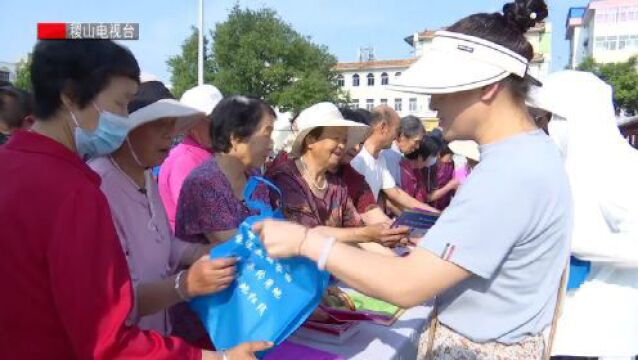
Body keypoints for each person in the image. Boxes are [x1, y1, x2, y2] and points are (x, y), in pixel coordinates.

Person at [255, 1, 573, 358]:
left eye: (443, 89)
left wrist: (304, 242)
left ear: (488, 87)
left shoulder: (511, 174)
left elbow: (405, 285)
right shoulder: (529, 157)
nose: (434, 105)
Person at [0, 39, 269, 360]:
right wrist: (218, 357)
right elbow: (108, 338)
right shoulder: (76, 190)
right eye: (120, 104)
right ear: (70, 97)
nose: (123, 117)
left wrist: (205, 252)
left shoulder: (16, 163)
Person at [89, 80, 236, 349]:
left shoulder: (145, 175)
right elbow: (115, 297)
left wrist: (203, 252)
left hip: (158, 335)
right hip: (124, 344)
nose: (169, 136)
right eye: (159, 126)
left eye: (172, 127)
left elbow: (165, 243)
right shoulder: (99, 185)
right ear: (129, 129)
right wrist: (185, 285)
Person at [529, 70, 638, 360]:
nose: (545, 129)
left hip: (602, 333)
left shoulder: (622, 168)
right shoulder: (571, 166)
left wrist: (567, 239)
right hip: (566, 326)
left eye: (547, 120)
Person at [266, 102, 408, 248]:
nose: (342, 145)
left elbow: (354, 225)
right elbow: (306, 232)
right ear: (310, 140)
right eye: (336, 138)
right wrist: (366, 234)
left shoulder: (336, 185)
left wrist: (389, 234)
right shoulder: (286, 177)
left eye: (344, 140)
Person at [176, 95, 275, 246]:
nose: (271, 144)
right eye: (266, 134)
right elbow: (234, 245)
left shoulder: (254, 177)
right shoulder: (203, 184)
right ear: (235, 138)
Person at [350, 105, 438, 215]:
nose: (397, 136)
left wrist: (432, 213)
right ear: (383, 128)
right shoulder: (358, 158)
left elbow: (396, 193)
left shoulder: (380, 159)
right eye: (396, 131)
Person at [158, 84, 223, 231]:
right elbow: (201, 217)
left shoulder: (209, 154)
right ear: (191, 123)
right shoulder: (185, 160)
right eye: (211, 119)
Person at [381, 115, 426, 186]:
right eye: (416, 142)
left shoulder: (398, 155)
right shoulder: (389, 156)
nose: (417, 147)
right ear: (402, 136)